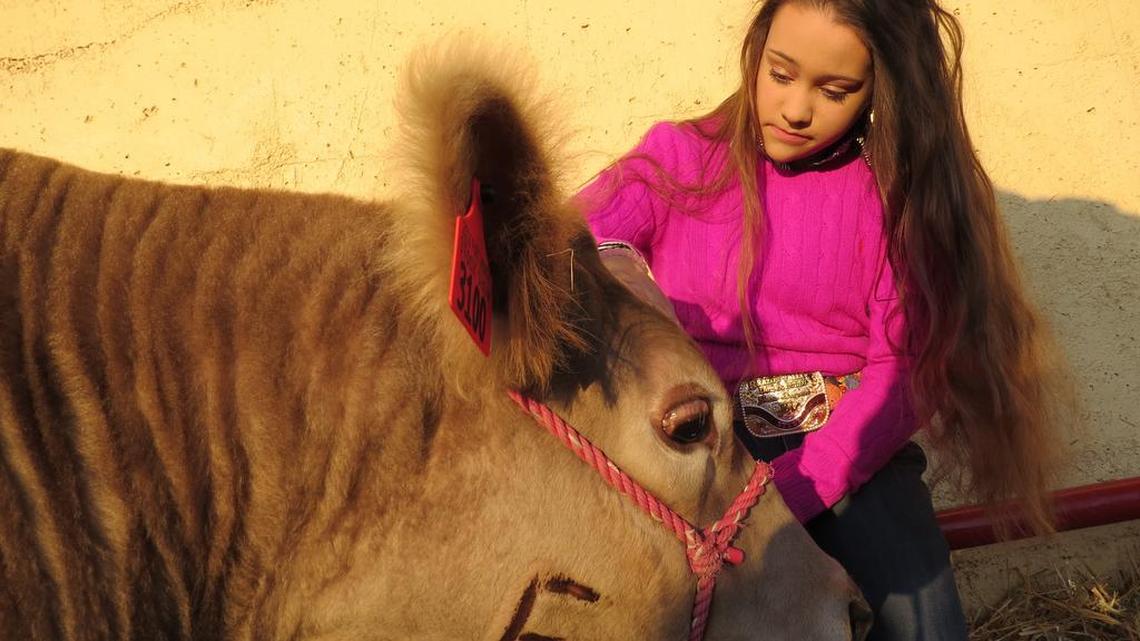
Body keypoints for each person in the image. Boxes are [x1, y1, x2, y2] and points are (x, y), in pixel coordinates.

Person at [577, 1, 1071, 639]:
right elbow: (567, 241)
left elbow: (902, 372)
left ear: (878, 91)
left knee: (927, 623)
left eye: (834, 90)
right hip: (699, 447)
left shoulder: (896, 197)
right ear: (757, 51)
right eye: (781, 74)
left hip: (845, 448)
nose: (797, 108)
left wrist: (794, 492)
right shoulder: (682, 159)